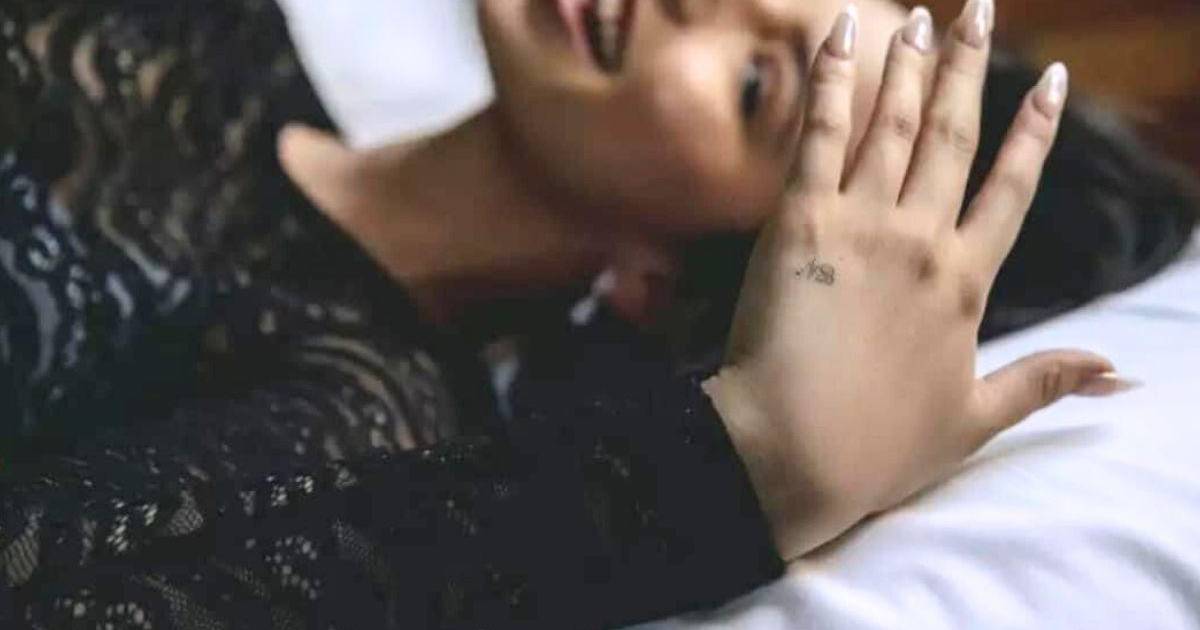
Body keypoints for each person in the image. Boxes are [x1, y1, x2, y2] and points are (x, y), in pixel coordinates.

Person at [0, 1, 1193, 629]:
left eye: (759, 86)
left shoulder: (358, 434)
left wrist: (755, 465)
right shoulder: (210, 27)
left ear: (671, 281)